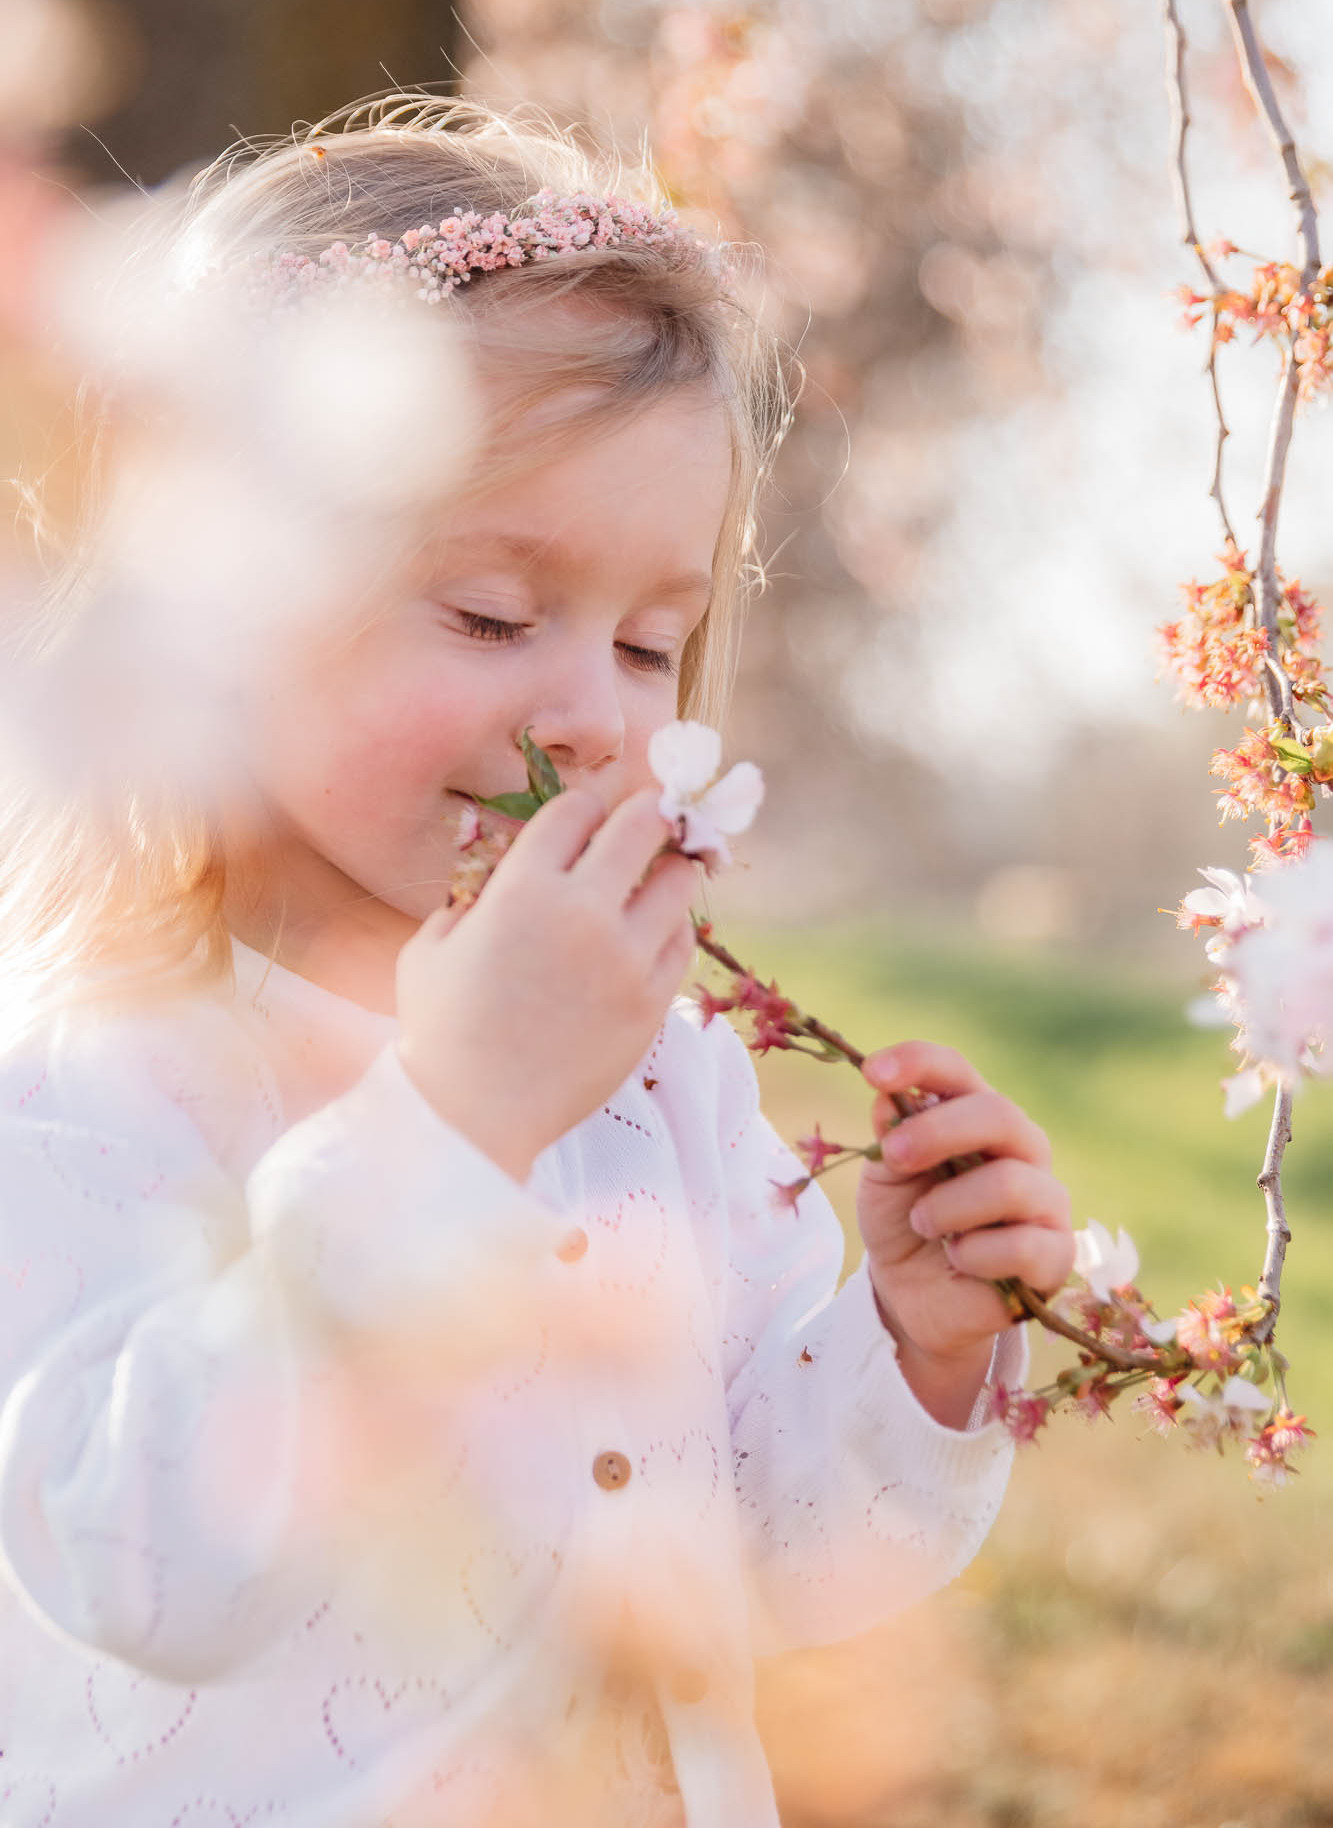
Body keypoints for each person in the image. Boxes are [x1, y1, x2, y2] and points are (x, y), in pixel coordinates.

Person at [0, 95, 1075, 1828]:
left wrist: (907, 1342)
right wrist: (452, 1119)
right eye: (494, 615)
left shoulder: (663, 1075)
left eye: (653, 644)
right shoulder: (94, 1072)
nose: (587, 713)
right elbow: (147, 1566)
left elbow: (774, 1550)